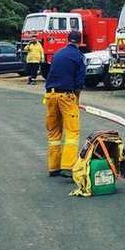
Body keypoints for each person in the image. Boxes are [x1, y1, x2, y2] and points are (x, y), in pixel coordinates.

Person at [44, 30, 86, 178]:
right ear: (80, 42)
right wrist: (77, 100)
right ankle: (68, 166)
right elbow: (79, 83)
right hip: (67, 96)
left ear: (67, 40)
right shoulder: (79, 57)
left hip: (50, 95)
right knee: (72, 132)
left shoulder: (57, 54)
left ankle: (53, 167)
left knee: (54, 133)